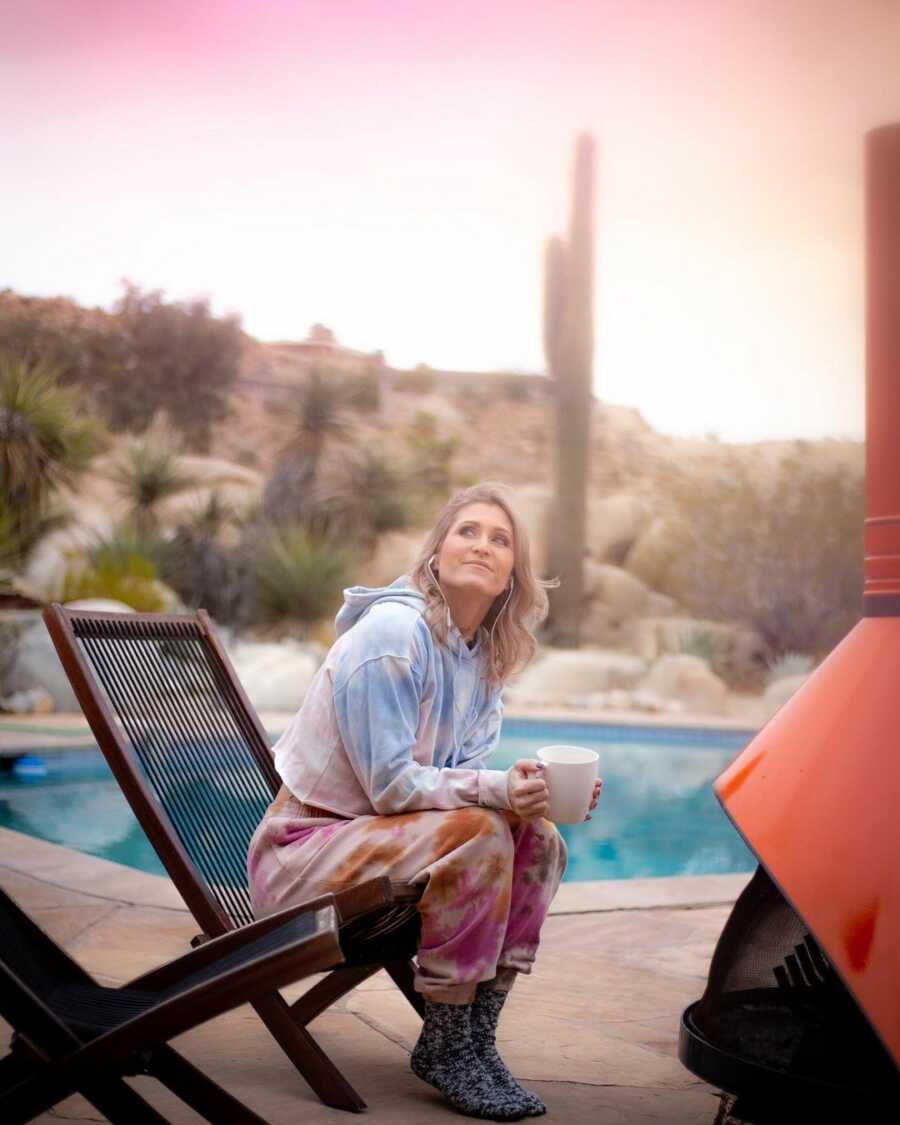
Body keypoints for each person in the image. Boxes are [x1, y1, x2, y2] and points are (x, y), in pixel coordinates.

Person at [247, 482, 602, 1120]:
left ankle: (472, 1037)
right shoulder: (392, 636)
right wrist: (496, 793)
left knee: (539, 841)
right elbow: (392, 789)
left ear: (511, 577)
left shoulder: (482, 658)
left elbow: (461, 782)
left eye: (501, 540)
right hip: (304, 863)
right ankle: (444, 1045)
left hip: (380, 851)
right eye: (467, 530)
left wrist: (529, 797)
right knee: (485, 832)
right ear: (436, 551)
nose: (482, 546)